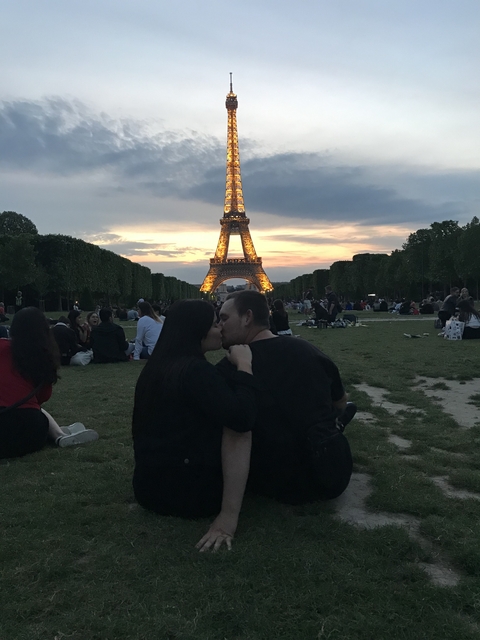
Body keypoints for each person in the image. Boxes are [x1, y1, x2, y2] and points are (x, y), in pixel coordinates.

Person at [132, 299, 257, 552]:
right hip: (191, 497)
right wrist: (245, 365)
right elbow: (242, 419)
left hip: (148, 491)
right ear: (196, 331)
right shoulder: (195, 371)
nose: (220, 328)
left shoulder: (156, 368)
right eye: (214, 324)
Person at [217, 291, 355, 506]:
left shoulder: (230, 369)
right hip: (332, 475)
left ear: (247, 317)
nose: (219, 325)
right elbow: (339, 403)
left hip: (275, 483)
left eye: (224, 318)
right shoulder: (309, 351)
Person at [0, 307, 98, 458]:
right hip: (30, 430)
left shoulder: (3, 347)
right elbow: (42, 397)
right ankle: (58, 434)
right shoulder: (41, 355)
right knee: (33, 407)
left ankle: (58, 433)